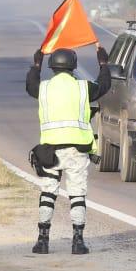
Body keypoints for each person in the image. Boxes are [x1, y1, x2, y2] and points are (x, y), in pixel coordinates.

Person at [25, 44, 112, 255]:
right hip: (76, 150)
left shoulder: (44, 88)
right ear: (73, 66)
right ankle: (78, 242)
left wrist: (36, 64)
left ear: (52, 66)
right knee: (77, 194)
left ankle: (42, 241)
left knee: (48, 192)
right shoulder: (83, 88)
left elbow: (30, 84)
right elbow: (104, 85)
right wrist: (103, 63)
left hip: (49, 151)